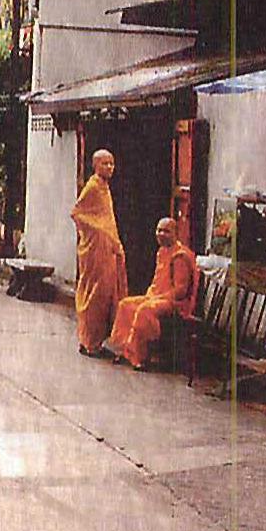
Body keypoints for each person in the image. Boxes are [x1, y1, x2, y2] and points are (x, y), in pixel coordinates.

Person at [104, 217, 198, 370]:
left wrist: (158, 298)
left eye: (166, 231)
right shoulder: (162, 252)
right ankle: (127, 350)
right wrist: (152, 296)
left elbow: (180, 290)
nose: (161, 234)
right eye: (159, 230)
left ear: (176, 233)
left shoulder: (180, 256)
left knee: (145, 310)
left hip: (175, 303)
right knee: (125, 305)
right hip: (156, 296)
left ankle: (140, 357)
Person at [70, 149, 128, 357]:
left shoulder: (104, 187)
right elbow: (76, 213)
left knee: (106, 295)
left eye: (112, 163)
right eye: (105, 164)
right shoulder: (93, 186)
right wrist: (98, 230)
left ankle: (92, 341)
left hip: (108, 247)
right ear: (95, 166)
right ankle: (90, 342)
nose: (110, 168)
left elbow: (107, 218)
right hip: (95, 249)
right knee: (95, 294)